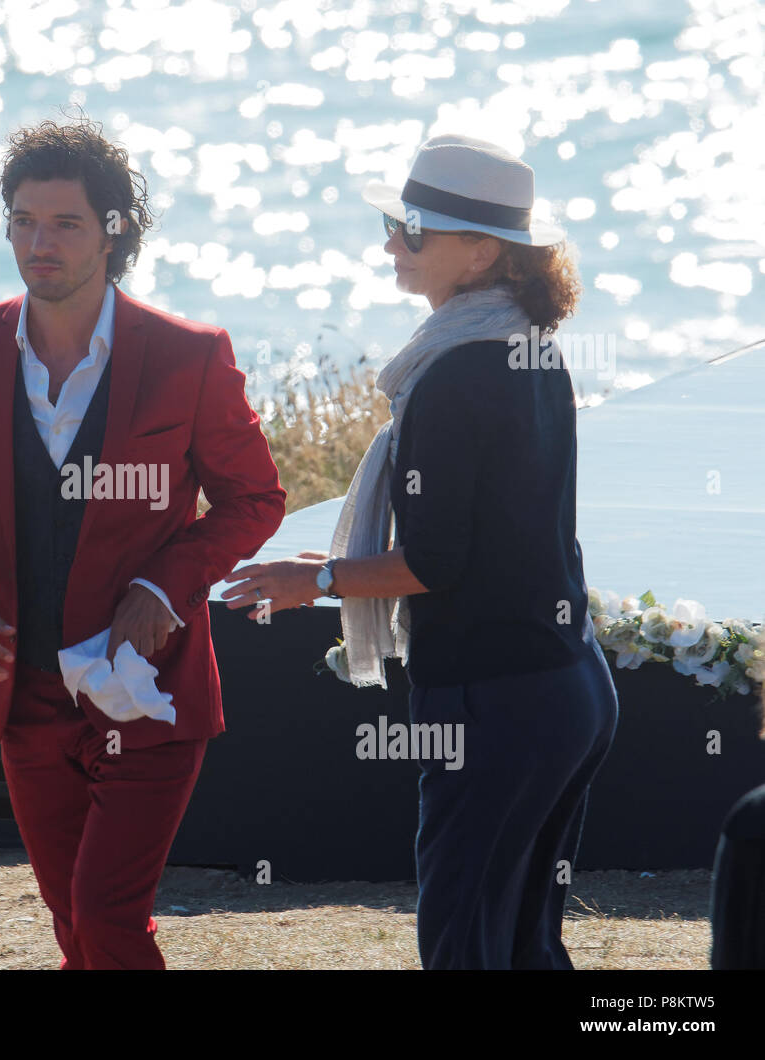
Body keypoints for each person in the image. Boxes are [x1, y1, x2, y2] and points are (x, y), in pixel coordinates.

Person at [0, 114, 285, 969]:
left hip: (147, 695)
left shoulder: (188, 355)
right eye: (24, 220)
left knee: (105, 918)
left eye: (65, 222)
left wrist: (166, 585)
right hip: (19, 694)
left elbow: (254, 498)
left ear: (114, 231)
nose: (40, 242)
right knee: (74, 925)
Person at [222, 133, 619, 969]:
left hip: (497, 701)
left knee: (461, 944)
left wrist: (318, 578)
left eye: (413, 231)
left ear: (481, 254)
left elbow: (438, 562)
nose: (392, 244)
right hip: (568, 685)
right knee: (521, 942)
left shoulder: (453, 375)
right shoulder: (527, 347)